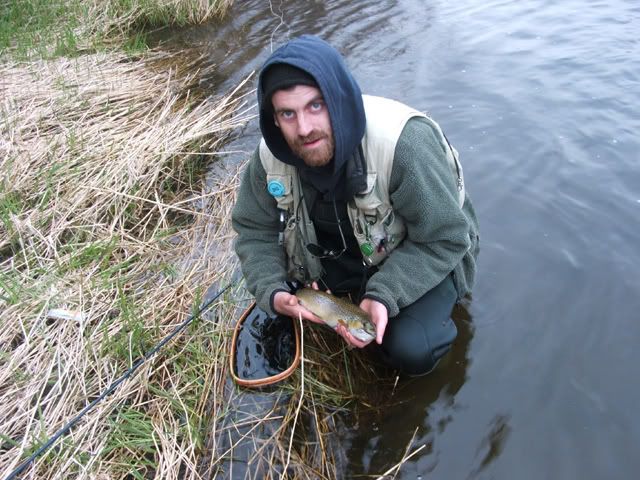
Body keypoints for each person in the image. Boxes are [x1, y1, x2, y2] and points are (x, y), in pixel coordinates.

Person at [231, 35, 479, 376]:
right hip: (349, 249)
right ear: (274, 118)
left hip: (431, 246)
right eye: (288, 113)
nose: (304, 129)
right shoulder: (269, 157)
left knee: (410, 348)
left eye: (315, 105)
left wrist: (384, 294)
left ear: (339, 99)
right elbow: (253, 229)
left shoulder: (404, 145)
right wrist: (272, 292)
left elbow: (446, 237)